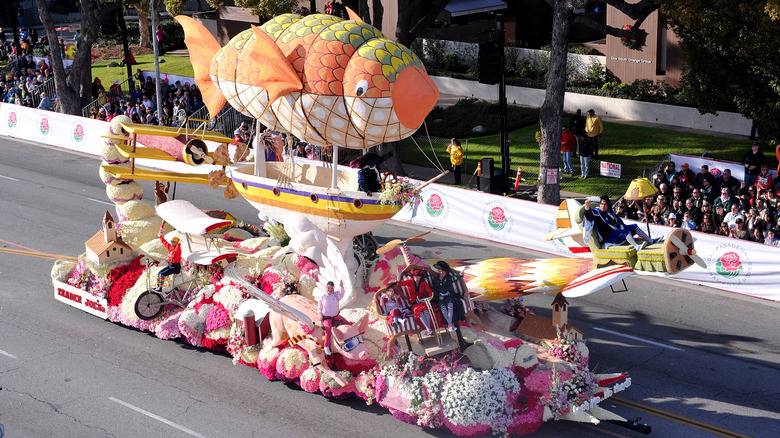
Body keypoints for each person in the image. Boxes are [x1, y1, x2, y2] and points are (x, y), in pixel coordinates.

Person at [583, 195, 657, 251]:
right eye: (601, 204)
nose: (603, 206)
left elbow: (618, 221)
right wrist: (587, 206)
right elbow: (588, 216)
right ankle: (637, 247)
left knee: (634, 226)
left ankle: (651, 241)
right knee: (626, 232)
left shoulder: (609, 212)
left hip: (616, 231)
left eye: (605, 204)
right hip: (607, 236)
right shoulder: (597, 212)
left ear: (608, 205)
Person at [399, 268, 437, 336]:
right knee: (420, 313)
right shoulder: (410, 281)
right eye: (416, 276)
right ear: (413, 276)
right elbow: (399, 283)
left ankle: (429, 329)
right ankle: (428, 329)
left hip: (422, 301)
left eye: (418, 276)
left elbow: (429, 291)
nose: (417, 277)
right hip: (413, 303)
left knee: (426, 310)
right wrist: (399, 274)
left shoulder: (423, 282)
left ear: (420, 277)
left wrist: (430, 298)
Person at [432, 261, 463, 332]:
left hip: (448, 296)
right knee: (442, 306)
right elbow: (434, 289)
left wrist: (461, 274)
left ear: (446, 272)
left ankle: (449, 325)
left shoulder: (448, 278)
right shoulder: (436, 279)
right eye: (440, 271)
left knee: (450, 305)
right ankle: (450, 325)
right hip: (440, 297)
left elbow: (455, 278)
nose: (442, 273)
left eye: (443, 271)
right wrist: (439, 296)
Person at [317, 280, 344, 356]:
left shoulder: (335, 295)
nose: (330, 290)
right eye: (328, 288)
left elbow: (341, 294)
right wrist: (320, 314)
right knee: (328, 329)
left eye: (332, 288)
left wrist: (341, 286)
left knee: (346, 323)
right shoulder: (323, 297)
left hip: (335, 315)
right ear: (326, 288)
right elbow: (320, 307)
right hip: (326, 317)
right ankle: (326, 346)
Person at [153, 224, 182, 292]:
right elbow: (165, 243)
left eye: (173, 242)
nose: (171, 243)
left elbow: (178, 247)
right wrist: (160, 236)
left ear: (176, 243)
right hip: (170, 265)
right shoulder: (170, 248)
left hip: (175, 267)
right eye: (171, 242)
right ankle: (157, 286)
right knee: (159, 272)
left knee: (162, 274)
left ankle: (160, 288)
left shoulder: (177, 250)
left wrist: (179, 244)